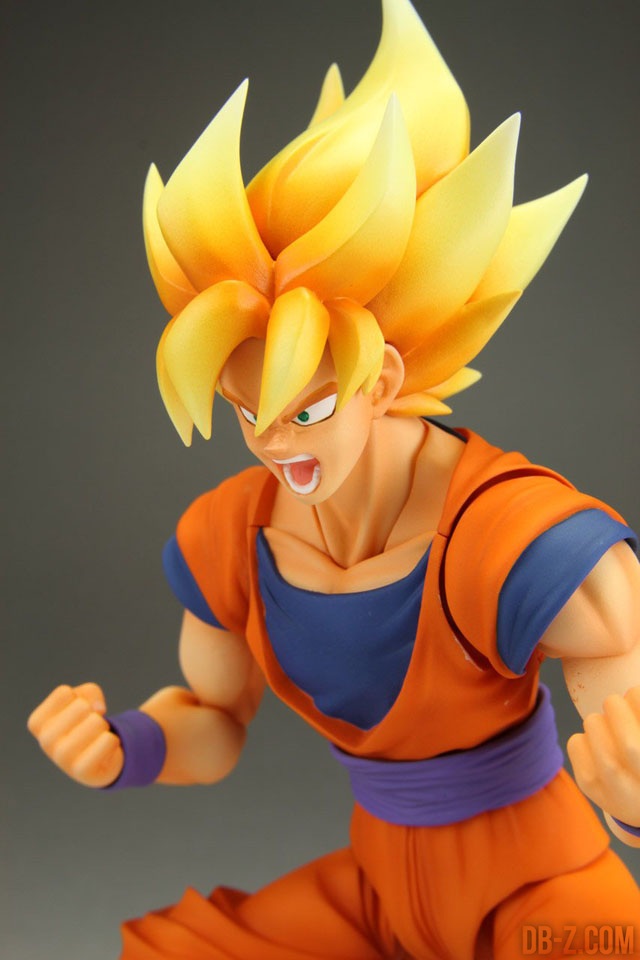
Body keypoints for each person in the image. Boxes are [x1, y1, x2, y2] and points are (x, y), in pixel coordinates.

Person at [28, 0, 640, 957]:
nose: (274, 442)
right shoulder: (229, 537)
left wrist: (634, 799)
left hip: (540, 891)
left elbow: (624, 710)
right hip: (377, 893)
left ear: (382, 379)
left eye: (305, 409)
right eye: (246, 410)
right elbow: (212, 720)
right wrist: (123, 747)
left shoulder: (523, 543)